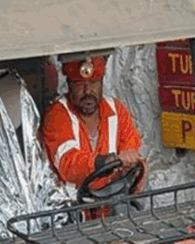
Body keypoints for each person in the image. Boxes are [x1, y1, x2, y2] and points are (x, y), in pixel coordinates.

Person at [40, 54, 146, 196]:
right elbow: (68, 164)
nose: (88, 91)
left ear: (102, 82)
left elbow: (131, 146)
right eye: (79, 84)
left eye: (93, 83)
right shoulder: (57, 115)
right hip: (71, 206)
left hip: (111, 200)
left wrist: (130, 159)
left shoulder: (116, 109)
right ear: (69, 85)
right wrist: (104, 162)